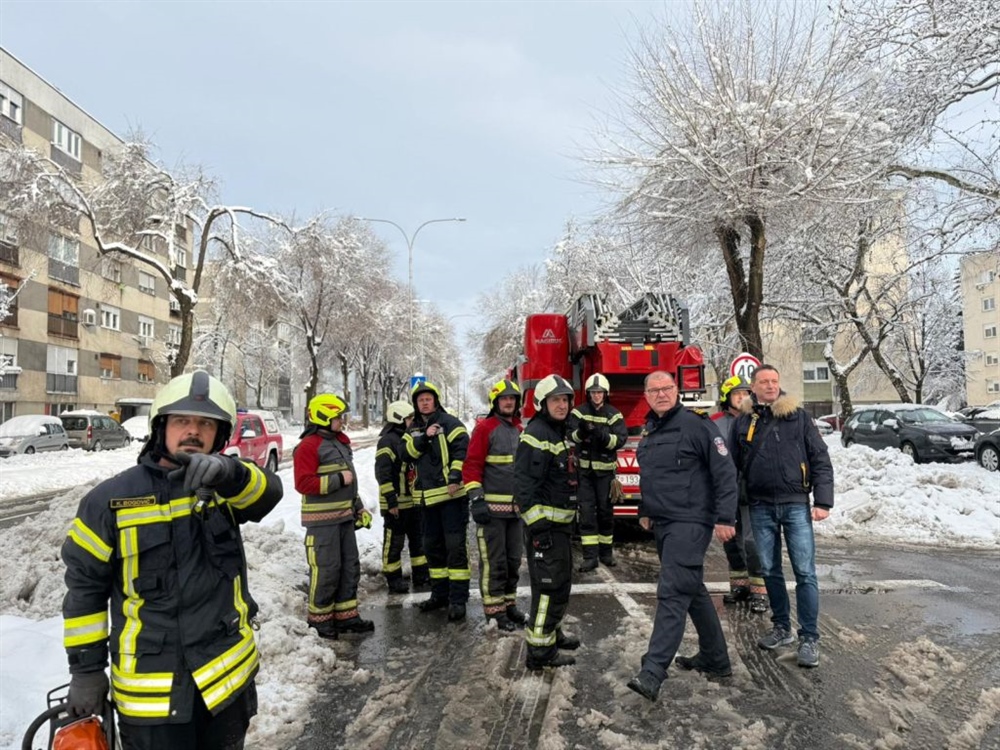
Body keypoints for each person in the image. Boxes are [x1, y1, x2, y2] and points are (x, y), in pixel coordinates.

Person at [61, 371, 282, 749]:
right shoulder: (108, 502)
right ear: (161, 427)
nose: (193, 431)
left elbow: (268, 492)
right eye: (182, 420)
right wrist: (85, 670)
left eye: (206, 424)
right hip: (151, 700)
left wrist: (229, 473)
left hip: (226, 687)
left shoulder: (225, 488)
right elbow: (85, 592)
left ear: (219, 435)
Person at [626, 370, 738, 702]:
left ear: (677, 391)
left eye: (666, 388)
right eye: (654, 390)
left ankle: (653, 671)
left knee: (673, 591)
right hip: (664, 522)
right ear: (646, 396)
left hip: (690, 521)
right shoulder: (650, 429)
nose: (661, 394)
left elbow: (724, 471)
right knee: (692, 588)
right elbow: (651, 476)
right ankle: (715, 658)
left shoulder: (696, 425)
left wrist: (726, 516)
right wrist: (645, 509)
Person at [731, 364, 834, 668]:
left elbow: (820, 457)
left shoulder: (798, 417)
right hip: (760, 505)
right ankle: (781, 627)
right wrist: (727, 508)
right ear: (753, 387)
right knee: (770, 569)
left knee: (804, 572)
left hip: (795, 504)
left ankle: (809, 637)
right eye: (764, 381)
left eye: (774, 381)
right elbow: (731, 468)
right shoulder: (743, 422)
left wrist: (823, 500)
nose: (770, 386)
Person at [514, 374, 581, 670]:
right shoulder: (538, 434)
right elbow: (525, 487)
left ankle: (553, 633)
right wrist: (539, 528)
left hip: (560, 528)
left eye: (565, 400)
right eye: (556, 400)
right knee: (547, 589)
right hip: (546, 530)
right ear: (542, 404)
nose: (562, 405)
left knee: (560, 585)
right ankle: (539, 652)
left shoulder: (557, 431)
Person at [295, 393, 374, 639]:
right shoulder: (309, 446)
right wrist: (338, 479)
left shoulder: (339, 442)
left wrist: (358, 507)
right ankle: (319, 621)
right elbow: (303, 483)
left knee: (349, 567)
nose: (342, 421)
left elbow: (350, 482)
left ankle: (346, 617)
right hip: (322, 524)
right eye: (338, 417)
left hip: (344, 518)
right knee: (326, 571)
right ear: (323, 417)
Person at [404, 381, 471, 621]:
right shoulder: (412, 429)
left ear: (435, 400)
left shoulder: (450, 423)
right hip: (427, 500)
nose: (424, 403)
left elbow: (463, 450)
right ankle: (439, 595)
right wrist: (424, 438)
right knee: (432, 548)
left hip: (451, 497)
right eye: (420, 400)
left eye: (428, 399)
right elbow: (405, 453)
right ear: (416, 404)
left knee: (455, 548)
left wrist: (455, 476)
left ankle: (458, 599)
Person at [463, 378, 526, 631]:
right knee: (494, 562)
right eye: (504, 399)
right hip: (491, 512)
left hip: (516, 512)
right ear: (495, 402)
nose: (508, 402)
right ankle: (494, 611)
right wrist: (477, 498)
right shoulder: (485, 428)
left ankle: (509, 605)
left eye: (512, 398)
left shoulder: (520, 429)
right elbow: (471, 466)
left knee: (513, 561)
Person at [712, 375, 768, 614]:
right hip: (725, 490)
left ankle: (760, 591)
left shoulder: (759, 420)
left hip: (752, 488)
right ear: (727, 398)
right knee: (731, 540)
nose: (742, 398)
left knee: (752, 541)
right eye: (737, 394)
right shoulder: (714, 423)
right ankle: (740, 585)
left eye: (746, 393)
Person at [569, 373, 628, 571]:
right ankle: (590, 557)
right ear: (588, 393)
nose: (596, 396)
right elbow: (570, 436)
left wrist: (602, 435)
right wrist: (582, 432)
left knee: (605, 513)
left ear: (605, 393)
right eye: (593, 392)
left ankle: (606, 554)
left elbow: (619, 440)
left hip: (605, 475)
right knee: (586, 514)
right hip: (585, 474)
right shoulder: (578, 413)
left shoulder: (614, 414)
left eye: (600, 392)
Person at [375, 399, 429, 594]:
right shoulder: (387, 441)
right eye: (409, 418)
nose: (412, 422)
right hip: (395, 504)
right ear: (398, 419)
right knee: (394, 543)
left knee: (418, 542)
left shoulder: (408, 438)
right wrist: (391, 500)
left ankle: (421, 576)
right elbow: (383, 473)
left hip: (411, 502)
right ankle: (394, 579)